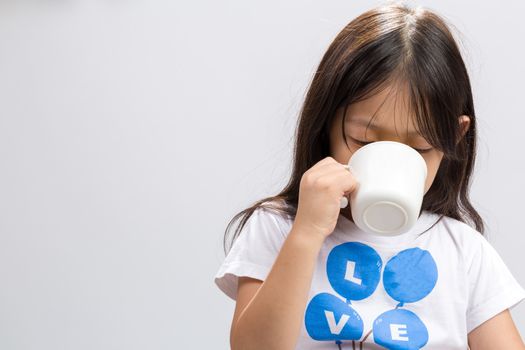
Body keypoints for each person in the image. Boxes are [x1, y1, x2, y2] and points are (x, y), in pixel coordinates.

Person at [214, 2, 525, 349]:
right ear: (327, 122)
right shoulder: (279, 227)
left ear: (453, 135)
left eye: (420, 147)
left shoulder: (463, 251)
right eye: (363, 140)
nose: (390, 160)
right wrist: (307, 233)